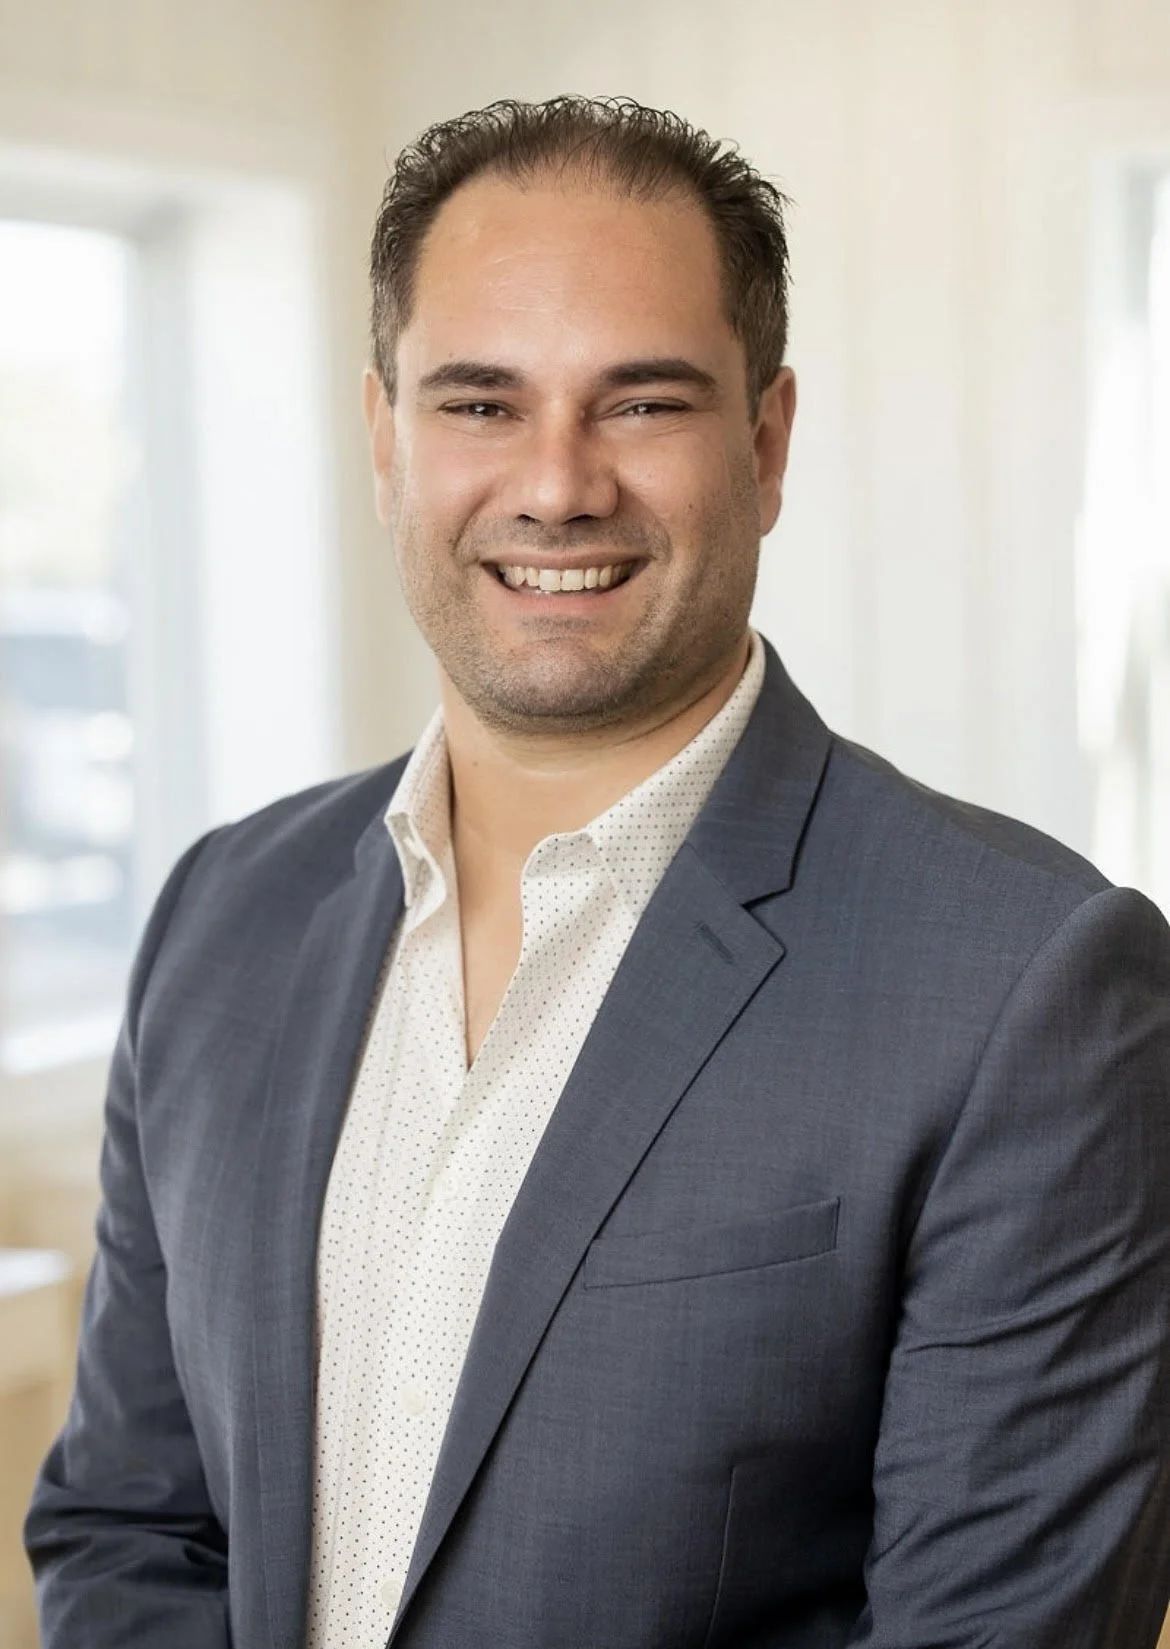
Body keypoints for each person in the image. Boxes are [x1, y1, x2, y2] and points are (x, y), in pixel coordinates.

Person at [24, 95, 1170, 1649]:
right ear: (385, 439)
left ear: (765, 445)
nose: (556, 486)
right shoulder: (223, 915)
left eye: (641, 404)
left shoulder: (1026, 984)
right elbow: (129, 1526)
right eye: (480, 404)